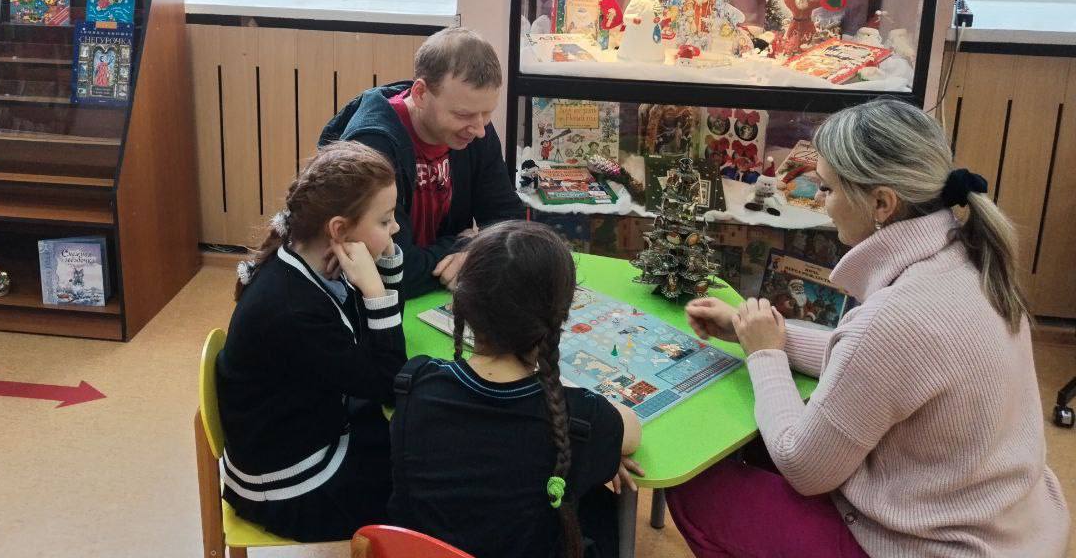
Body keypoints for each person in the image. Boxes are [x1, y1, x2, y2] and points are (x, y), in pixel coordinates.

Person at [667, 100, 1071, 557]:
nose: (822, 202)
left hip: (939, 545)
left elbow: (804, 466)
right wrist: (756, 333)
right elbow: (877, 369)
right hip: (1012, 527)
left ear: (881, 202)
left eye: (828, 188)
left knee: (694, 484)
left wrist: (766, 355)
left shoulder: (895, 317)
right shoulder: (969, 261)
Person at [389, 222, 643, 558]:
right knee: (602, 508)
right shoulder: (580, 419)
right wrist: (598, 452)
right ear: (559, 317)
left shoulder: (416, 383)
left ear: (461, 304)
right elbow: (631, 432)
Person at [216, 142, 407, 542]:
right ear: (338, 229)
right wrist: (375, 291)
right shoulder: (294, 311)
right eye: (385, 220)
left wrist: (382, 268)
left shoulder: (313, 261)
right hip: (292, 486)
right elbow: (390, 382)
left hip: (305, 432)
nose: (396, 229)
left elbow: (369, 347)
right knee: (422, 481)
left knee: (418, 443)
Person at [319, 27, 524, 294]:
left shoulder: (474, 129)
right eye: (463, 114)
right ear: (420, 94)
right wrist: (466, 246)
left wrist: (475, 251)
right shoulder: (372, 145)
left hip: (437, 292)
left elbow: (510, 224)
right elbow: (389, 266)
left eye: (487, 113)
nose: (479, 129)